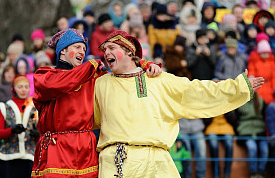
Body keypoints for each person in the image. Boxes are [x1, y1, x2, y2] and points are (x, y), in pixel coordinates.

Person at [94, 30, 264, 178]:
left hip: (154, 162)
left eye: (111, 48)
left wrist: (238, 86)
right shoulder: (100, 84)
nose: (105, 52)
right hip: (115, 163)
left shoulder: (159, 80)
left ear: (129, 52)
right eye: (104, 49)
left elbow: (198, 91)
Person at [31, 28, 161, 177]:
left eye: (84, 49)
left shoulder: (91, 77)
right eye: (77, 47)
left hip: (86, 149)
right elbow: (58, 84)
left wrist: (145, 64)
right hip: (56, 148)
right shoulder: (44, 76)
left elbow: (122, 73)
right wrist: (90, 65)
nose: (82, 52)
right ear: (62, 51)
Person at [0, 75, 38, 178]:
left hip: (30, 157)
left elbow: (44, 132)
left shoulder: (36, 108)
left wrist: (38, 134)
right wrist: (11, 130)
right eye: (20, 87)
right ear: (13, 88)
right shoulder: (4, 107)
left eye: (26, 87)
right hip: (9, 157)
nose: (23, 90)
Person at [236, 92, 268, 178]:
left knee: (264, 149)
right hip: (246, 132)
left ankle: (261, 172)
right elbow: (235, 118)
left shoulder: (261, 101)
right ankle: (253, 173)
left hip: (260, 131)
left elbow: (267, 116)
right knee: (252, 148)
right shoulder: (240, 102)